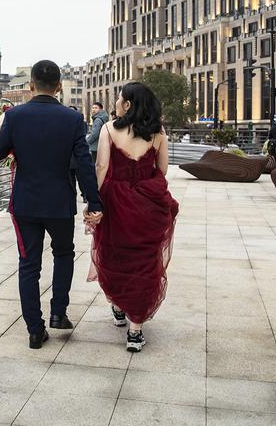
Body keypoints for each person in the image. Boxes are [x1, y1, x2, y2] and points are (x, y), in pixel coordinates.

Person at [0, 60, 103, 349]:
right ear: (58, 86)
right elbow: (84, 164)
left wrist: (17, 152)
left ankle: (34, 329)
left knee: (28, 265)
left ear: (30, 85)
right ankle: (58, 313)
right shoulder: (72, 119)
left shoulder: (14, 116)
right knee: (64, 254)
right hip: (59, 202)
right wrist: (93, 200)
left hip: (25, 202)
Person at [91, 82, 179, 352]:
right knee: (145, 260)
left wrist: (95, 202)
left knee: (114, 253)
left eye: (119, 99)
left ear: (127, 104)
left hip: (116, 200)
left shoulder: (108, 129)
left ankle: (118, 305)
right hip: (147, 200)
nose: (116, 103)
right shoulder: (158, 133)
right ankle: (136, 330)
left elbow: (102, 165)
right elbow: (161, 169)